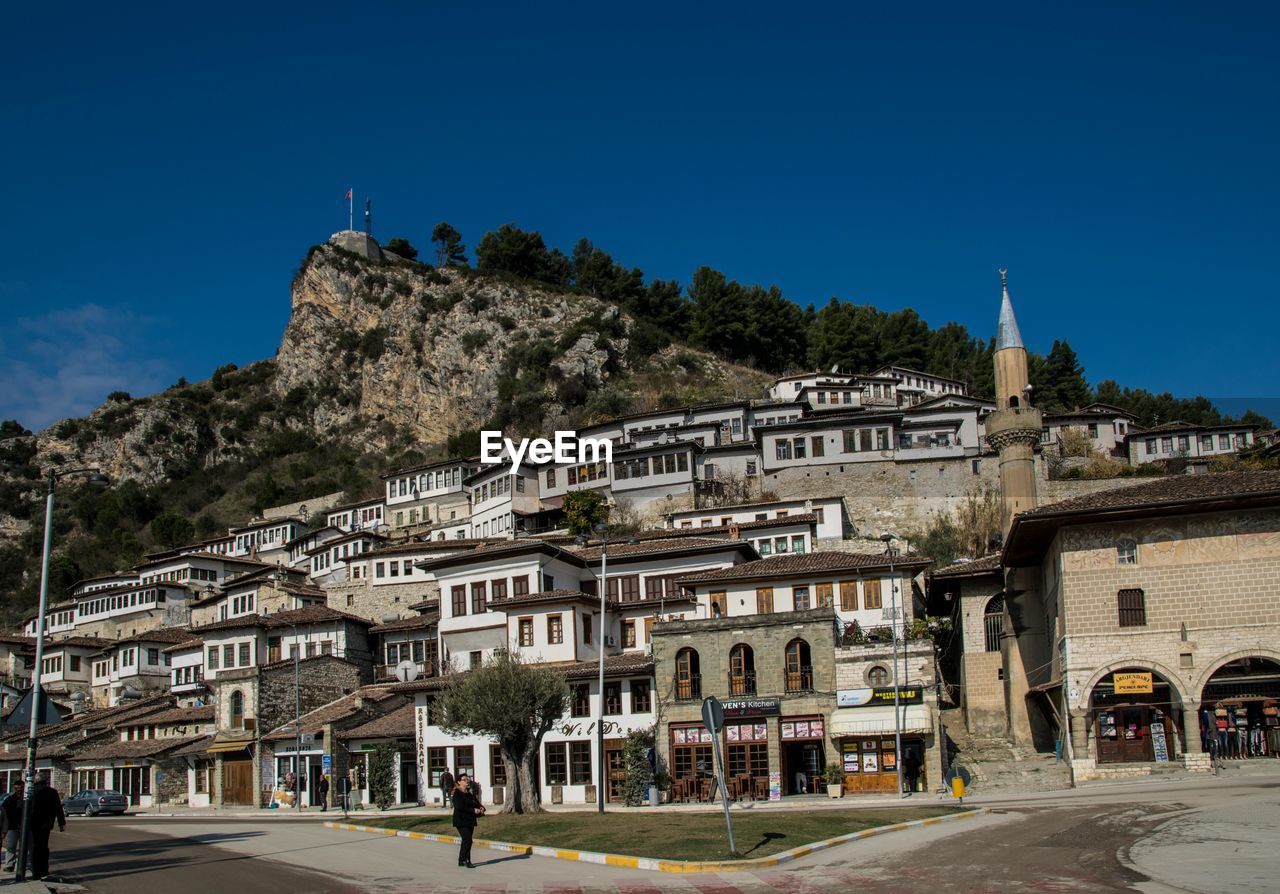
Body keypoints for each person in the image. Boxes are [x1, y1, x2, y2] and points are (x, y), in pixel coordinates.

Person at [29, 773, 66, 881]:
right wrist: (61, 822)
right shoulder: (52, 792)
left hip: (33, 823)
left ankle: (35, 871)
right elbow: (58, 808)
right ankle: (44, 869)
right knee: (43, 847)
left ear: (35, 781)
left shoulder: (32, 791)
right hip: (46, 824)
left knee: (34, 848)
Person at [451, 774, 484, 869]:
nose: (467, 781)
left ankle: (461, 860)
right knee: (468, 839)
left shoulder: (469, 794)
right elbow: (459, 806)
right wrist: (473, 810)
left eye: (468, 780)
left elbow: (477, 803)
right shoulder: (457, 793)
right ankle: (466, 860)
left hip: (470, 820)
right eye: (464, 780)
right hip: (460, 820)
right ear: (459, 782)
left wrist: (481, 808)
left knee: (466, 841)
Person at [1, 781, 23, 871]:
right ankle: (10, 864)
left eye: (20, 788)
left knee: (25, 846)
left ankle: (22, 864)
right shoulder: (9, 800)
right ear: (14, 788)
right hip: (12, 826)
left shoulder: (27, 800)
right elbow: (4, 813)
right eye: (17, 788)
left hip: (23, 827)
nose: (19, 790)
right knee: (11, 846)